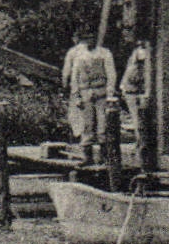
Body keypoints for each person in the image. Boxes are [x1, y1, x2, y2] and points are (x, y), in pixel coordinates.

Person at [65, 30, 116, 161]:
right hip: (85, 93)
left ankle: (106, 158)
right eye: (86, 38)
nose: (89, 41)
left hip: (101, 92)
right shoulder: (79, 55)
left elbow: (111, 74)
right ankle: (87, 157)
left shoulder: (104, 53)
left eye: (91, 38)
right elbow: (74, 78)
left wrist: (110, 92)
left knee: (103, 125)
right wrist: (76, 96)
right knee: (87, 126)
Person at [119, 36, 152, 156]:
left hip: (137, 90)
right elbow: (130, 71)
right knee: (137, 119)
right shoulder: (135, 53)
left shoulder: (144, 53)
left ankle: (142, 145)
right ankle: (140, 144)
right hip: (131, 89)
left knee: (140, 120)